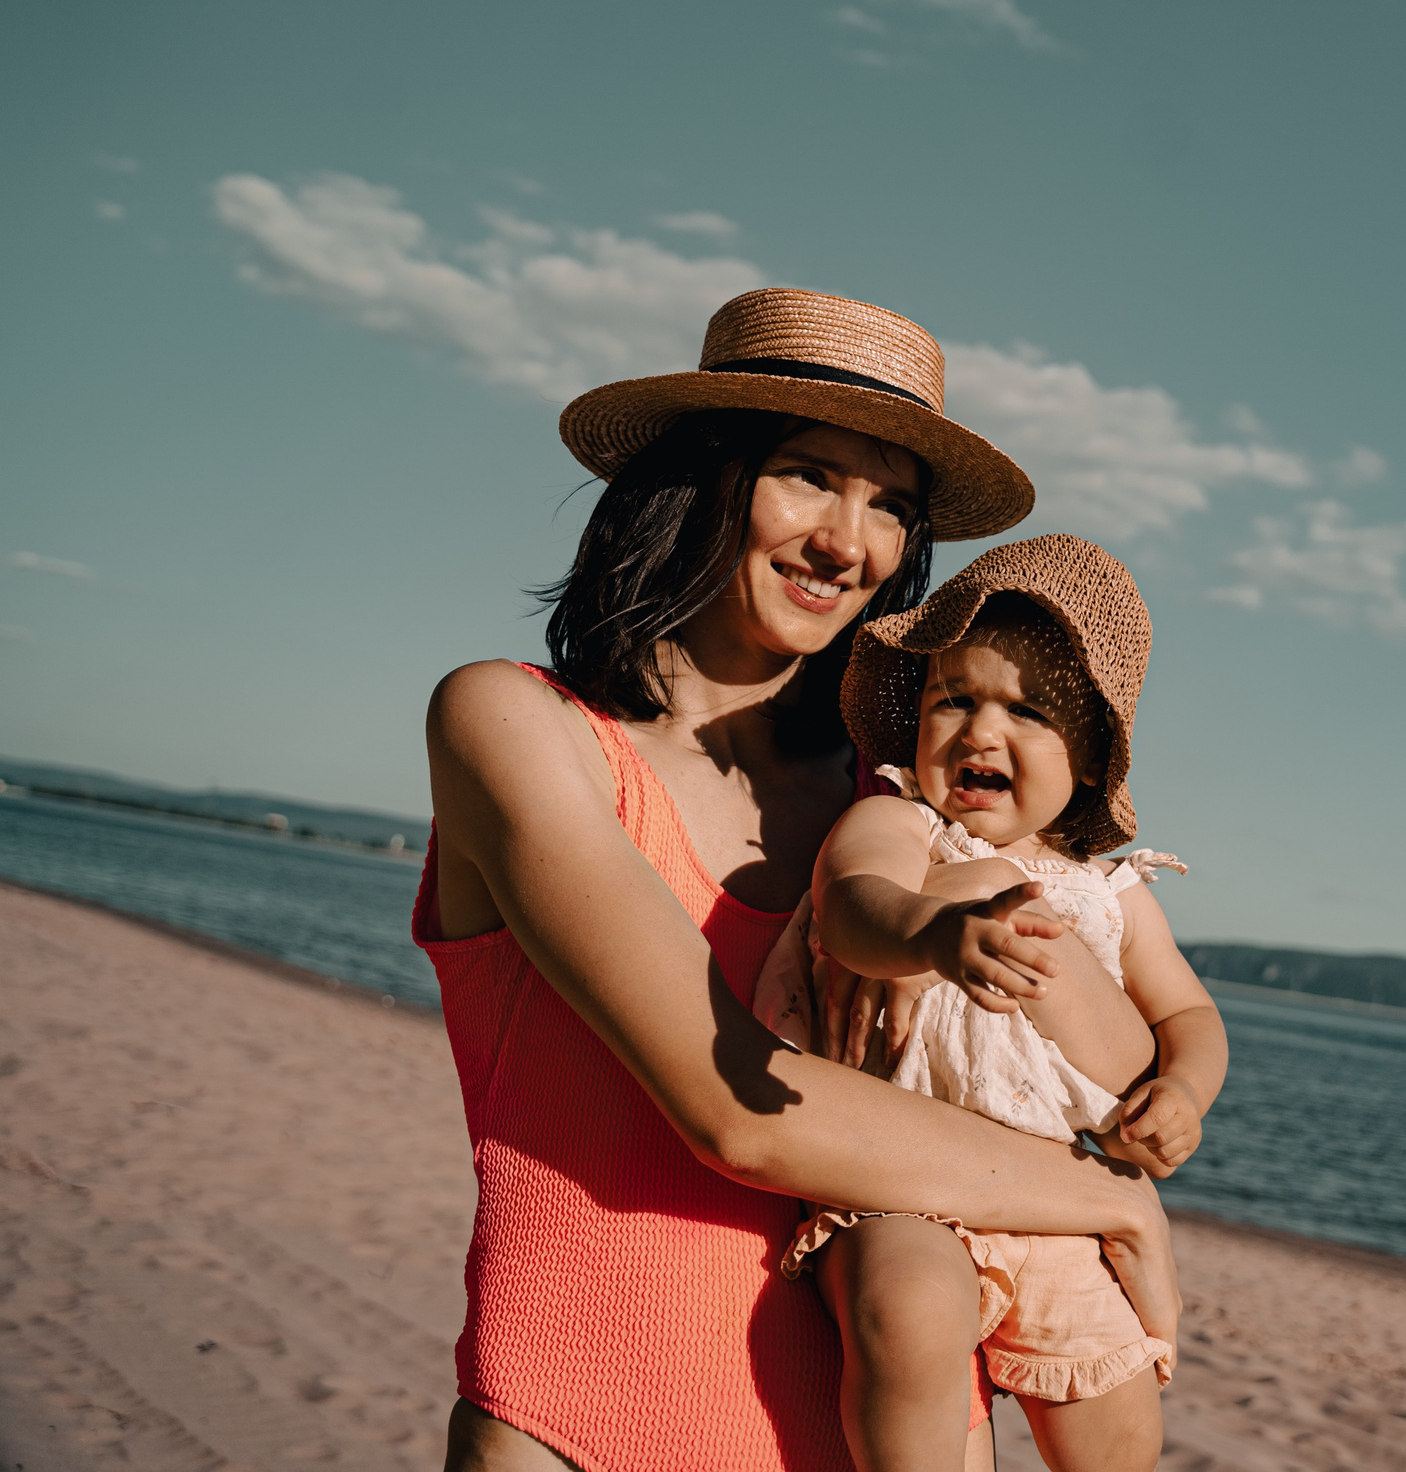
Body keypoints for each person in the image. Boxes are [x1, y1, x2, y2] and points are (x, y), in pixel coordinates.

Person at [414, 290, 1176, 1472]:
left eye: (892, 509)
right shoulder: (521, 729)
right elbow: (736, 1113)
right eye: (809, 475)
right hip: (577, 1425)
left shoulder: (902, 808)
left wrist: (1130, 1105)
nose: (848, 543)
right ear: (700, 476)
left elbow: (1108, 1076)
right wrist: (1102, 1203)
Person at [754, 536, 1227, 1472]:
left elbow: (1190, 1017)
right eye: (954, 698)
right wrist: (932, 933)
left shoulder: (1110, 892)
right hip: (902, 1180)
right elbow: (854, 906)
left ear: (1089, 759)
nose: (980, 731)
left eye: (1027, 711)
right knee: (909, 1313)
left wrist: (1182, 1096)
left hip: (1051, 1196)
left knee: (1116, 1394)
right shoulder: (900, 823)